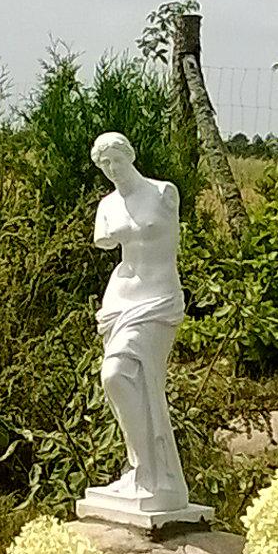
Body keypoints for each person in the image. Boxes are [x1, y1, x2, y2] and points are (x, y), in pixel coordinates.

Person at [86, 131, 194, 515]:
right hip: (121, 298)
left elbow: (164, 237)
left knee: (119, 374)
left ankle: (153, 474)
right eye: (105, 166)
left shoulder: (164, 193)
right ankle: (145, 473)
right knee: (121, 380)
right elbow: (104, 241)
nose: (112, 170)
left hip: (158, 299)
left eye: (116, 161)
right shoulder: (107, 205)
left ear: (129, 155)